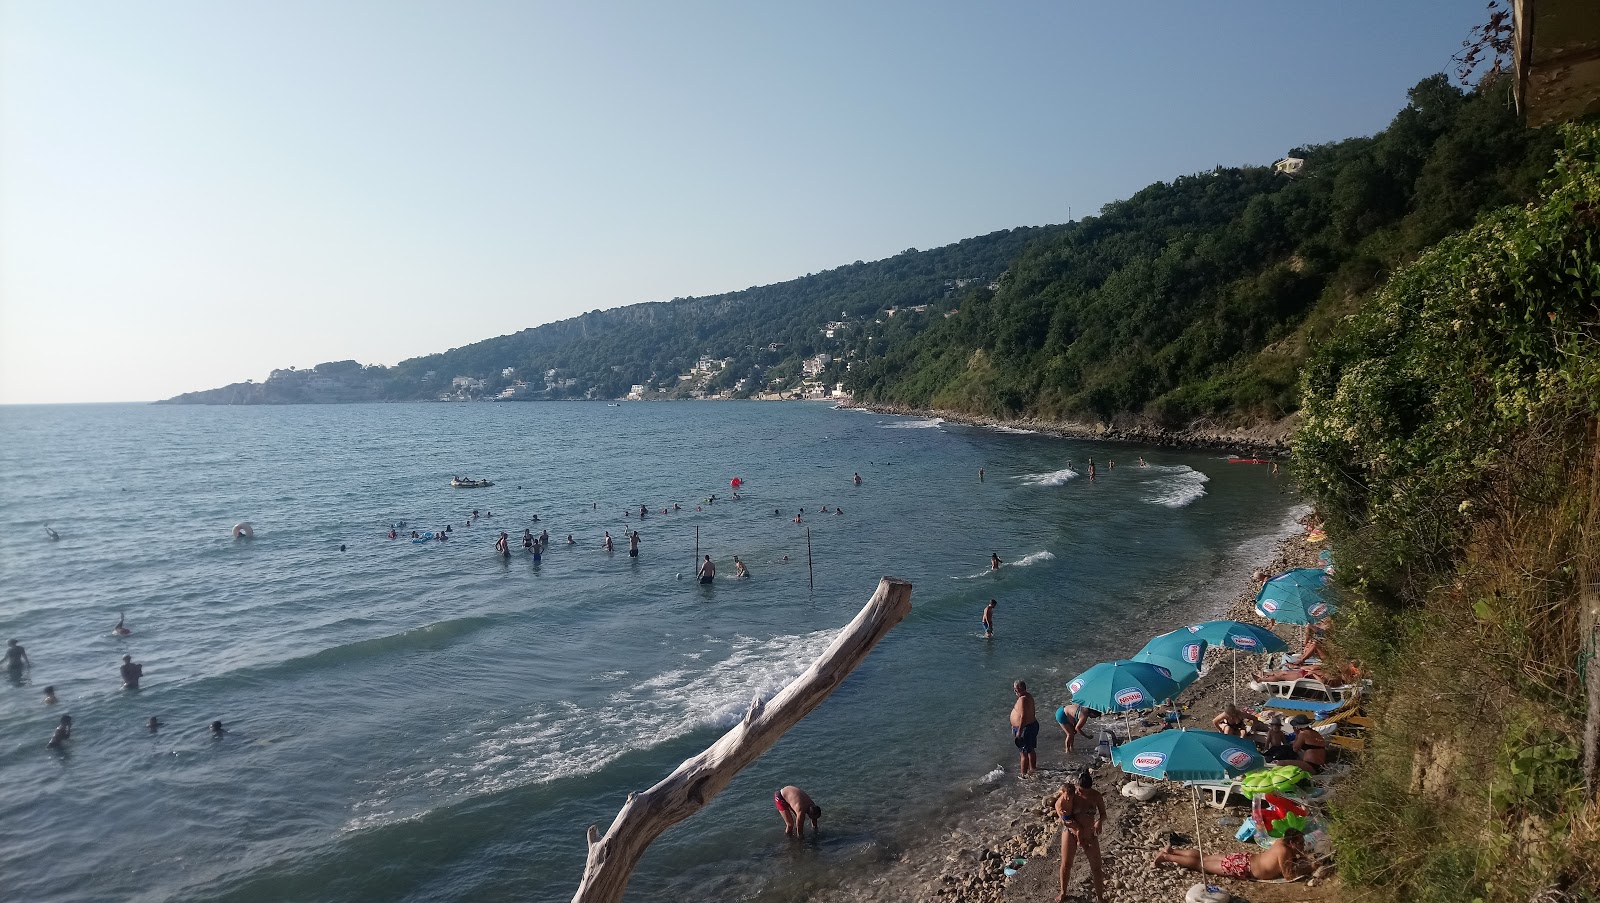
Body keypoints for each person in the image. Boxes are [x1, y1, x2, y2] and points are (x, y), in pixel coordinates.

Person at [1153, 828, 1310, 881]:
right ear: (1292, 843)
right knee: (1201, 864)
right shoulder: (1284, 851)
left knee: (1206, 856)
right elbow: (1289, 875)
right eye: (1300, 843)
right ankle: (1167, 857)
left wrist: (1301, 855)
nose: (1302, 845)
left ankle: (1173, 850)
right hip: (1243, 867)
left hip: (1245, 859)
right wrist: (1309, 867)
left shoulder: (1282, 842)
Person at [1056, 771, 1108, 903]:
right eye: (1080, 790)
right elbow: (1058, 805)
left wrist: (1099, 822)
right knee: (1066, 864)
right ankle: (1063, 892)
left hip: (1089, 834)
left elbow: (1103, 814)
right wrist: (1063, 819)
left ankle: (1100, 897)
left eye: (1085, 791)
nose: (1082, 793)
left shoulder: (1096, 796)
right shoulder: (1072, 794)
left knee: (1096, 867)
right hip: (1070, 832)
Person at [1010, 680, 1039, 777]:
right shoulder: (1028, 696)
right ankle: (1033, 769)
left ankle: (1023, 775)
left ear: (1023, 689)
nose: (1015, 692)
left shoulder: (1023, 699)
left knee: (1023, 753)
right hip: (1031, 725)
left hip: (1025, 728)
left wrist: (1019, 731)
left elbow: (1023, 716)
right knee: (1030, 750)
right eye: (1014, 689)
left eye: (1016, 690)